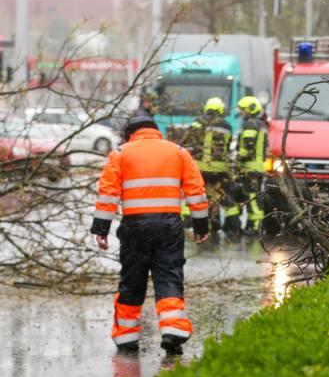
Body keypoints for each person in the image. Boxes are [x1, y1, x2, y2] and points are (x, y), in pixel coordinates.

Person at [91, 115, 210, 356]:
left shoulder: (120, 154)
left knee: (132, 279)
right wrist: (201, 226)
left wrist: (100, 229)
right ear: (156, 131)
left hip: (135, 226)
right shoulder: (178, 152)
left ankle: (127, 338)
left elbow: (108, 194)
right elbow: (196, 191)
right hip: (168, 225)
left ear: (130, 133)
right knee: (168, 275)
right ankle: (173, 331)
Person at [181, 97, 240, 234]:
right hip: (220, 169)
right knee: (224, 197)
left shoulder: (197, 122)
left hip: (200, 168)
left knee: (196, 196)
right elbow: (228, 144)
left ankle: (186, 223)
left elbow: (186, 140)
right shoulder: (226, 125)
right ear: (220, 110)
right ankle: (233, 227)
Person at [235, 95, 267, 236]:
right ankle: (251, 224)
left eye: (243, 110)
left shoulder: (250, 124)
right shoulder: (260, 124)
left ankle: (256, 226)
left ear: (250, 109)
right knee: (253, 196)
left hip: (250, 167)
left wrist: (237, 159)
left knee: (252, 198)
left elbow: (248, 146)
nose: (241, 113)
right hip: (257, 167)